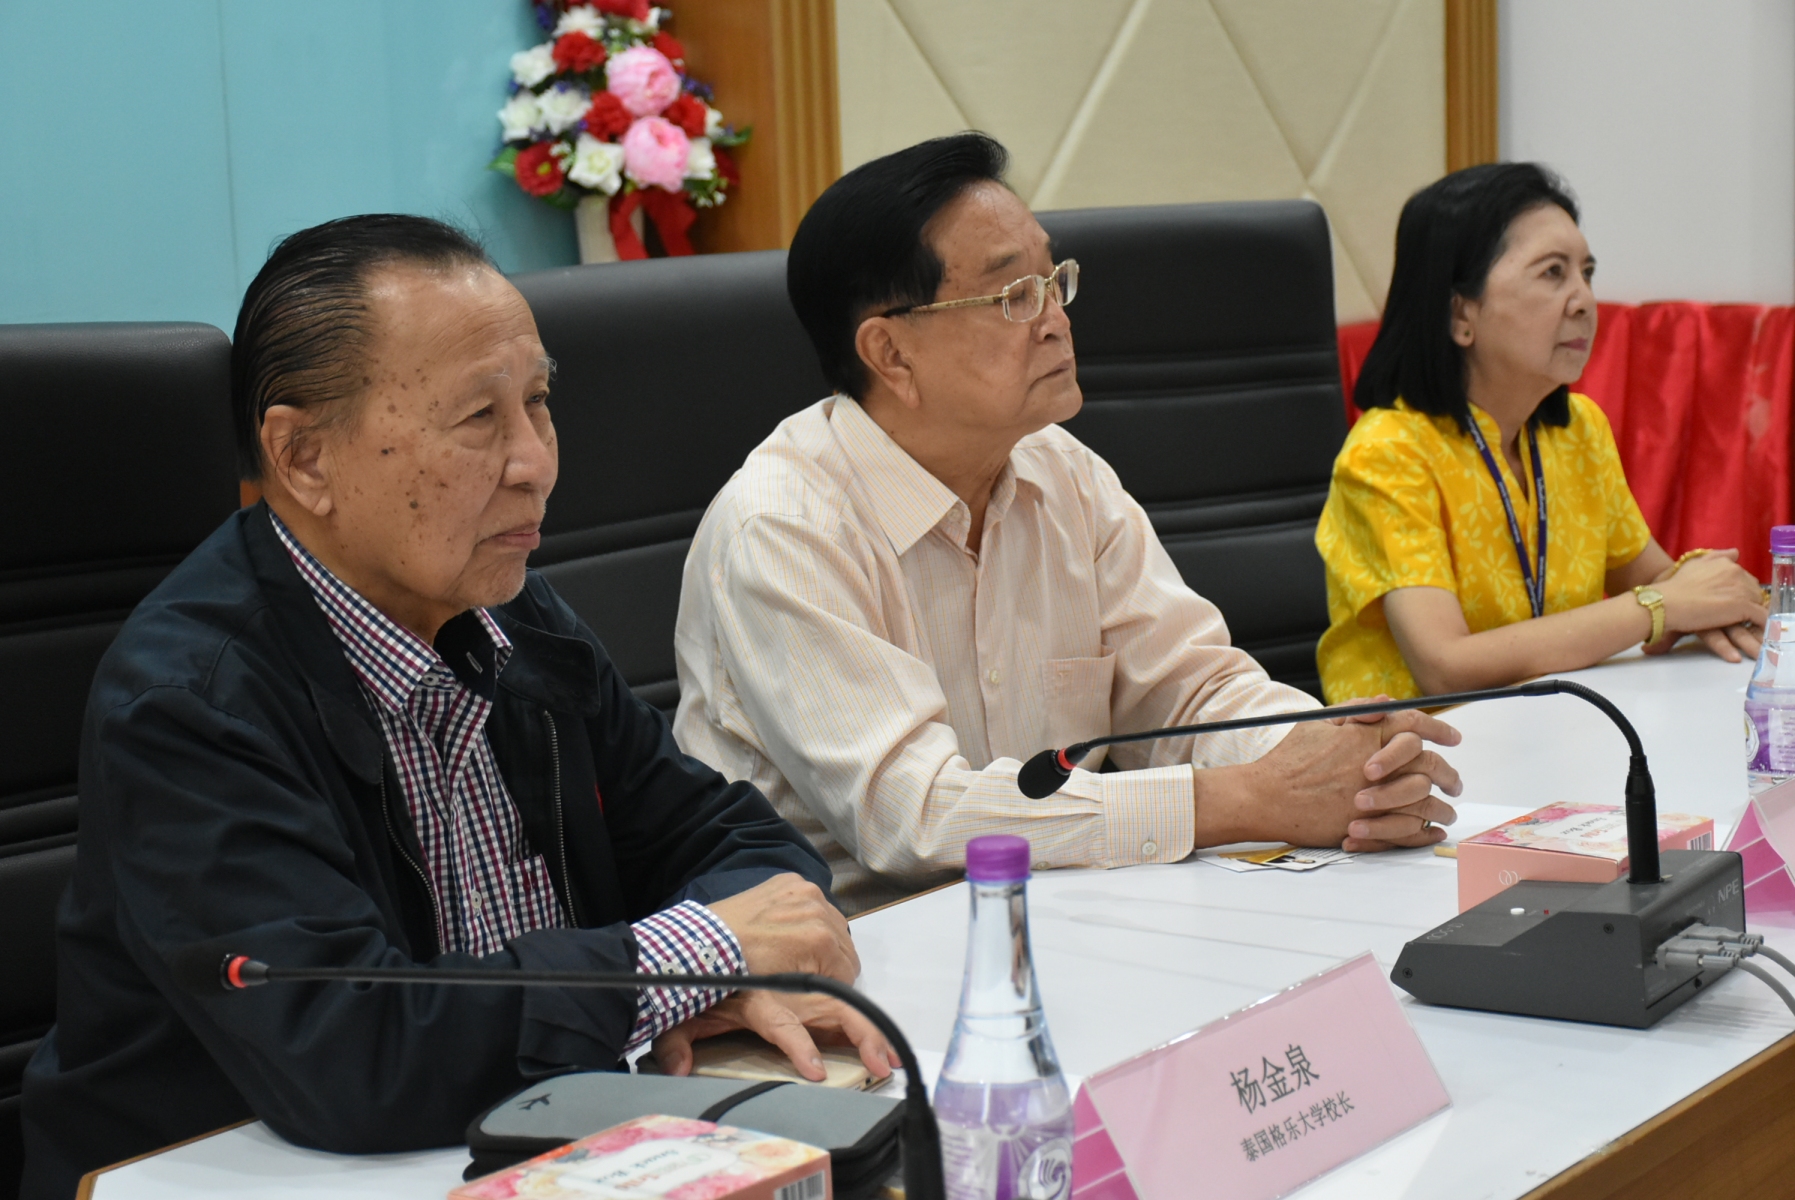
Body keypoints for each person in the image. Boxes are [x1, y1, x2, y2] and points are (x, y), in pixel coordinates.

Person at [20, 215, 887, 1199]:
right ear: (303, 458)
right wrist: (686, 963)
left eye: (539, 402)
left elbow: (734, 840)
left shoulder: (515, 617)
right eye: (479, 417)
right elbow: (349, 1047)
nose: (535, 462)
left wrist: (713, 979)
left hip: (528, 1142)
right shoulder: (188, 703)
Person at [672, 133, 1463, 915]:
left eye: (1054, 281)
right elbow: (914, 816)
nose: (1055, 320)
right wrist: (1249, 797)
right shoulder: (782, 528)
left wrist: (1335, 764)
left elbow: (1189, 689)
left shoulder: (1062, 471)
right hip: (859, 948)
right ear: (890, 354)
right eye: (1012, 297)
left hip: (1063, 909)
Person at [1315, 163, 1768, 704]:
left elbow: (1659, 581)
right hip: (1422, 748)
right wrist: (1662, 607)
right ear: (1461, 314)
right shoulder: (1387, 452)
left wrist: (1718, 597)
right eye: (1553, 273)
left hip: (1560, 730)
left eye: (1586, 273)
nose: (1584, 300)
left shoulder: (1579, 430)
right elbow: (1445, 666)